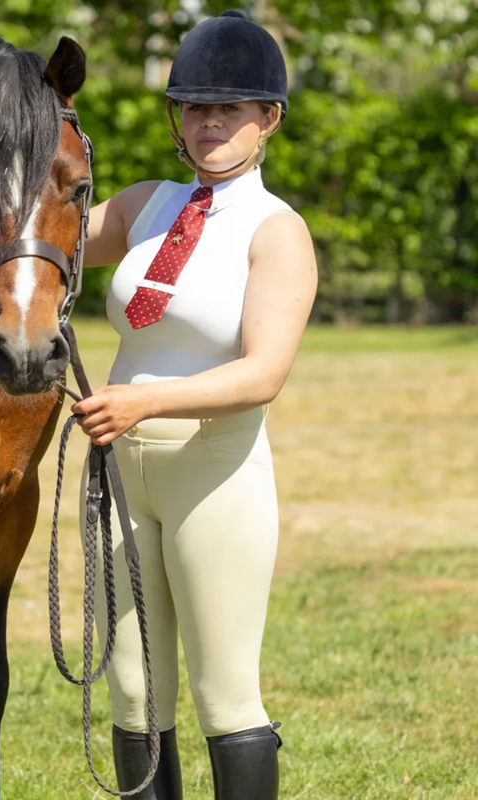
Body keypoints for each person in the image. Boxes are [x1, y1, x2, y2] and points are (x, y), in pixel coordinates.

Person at [72, 10, 318, 800]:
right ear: (176, 116)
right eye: (193, 106)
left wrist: (145, 405)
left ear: (268, 119)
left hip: (214, 473)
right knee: (134, 691)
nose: (209, 122)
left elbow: (263, 374)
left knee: (223, 692)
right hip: (121, 472)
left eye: (230, 108)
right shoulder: (147, 203)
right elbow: (45, 240)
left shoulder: (278, 233)